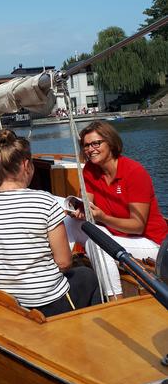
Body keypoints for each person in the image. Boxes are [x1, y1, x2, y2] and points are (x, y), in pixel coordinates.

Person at [0, 129, 101, 317]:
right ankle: (82, 331)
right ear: (26, 165)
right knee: (86, 275)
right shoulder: (44, 201)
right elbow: (64, 262)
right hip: (44, 302)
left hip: (2, 298)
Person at [64, 120, 167, 297]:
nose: (90, 149)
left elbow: (138, 226)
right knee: (67, 223)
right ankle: (60, 273)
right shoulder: (90, 169)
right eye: (86, 145)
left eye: (96, 143)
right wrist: (80, 208)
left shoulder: (133, 172)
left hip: (150, 242)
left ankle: (114, 300)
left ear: (110, 143)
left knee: (97, 244)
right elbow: (87, 201)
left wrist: (102, 217)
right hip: (116, 235)